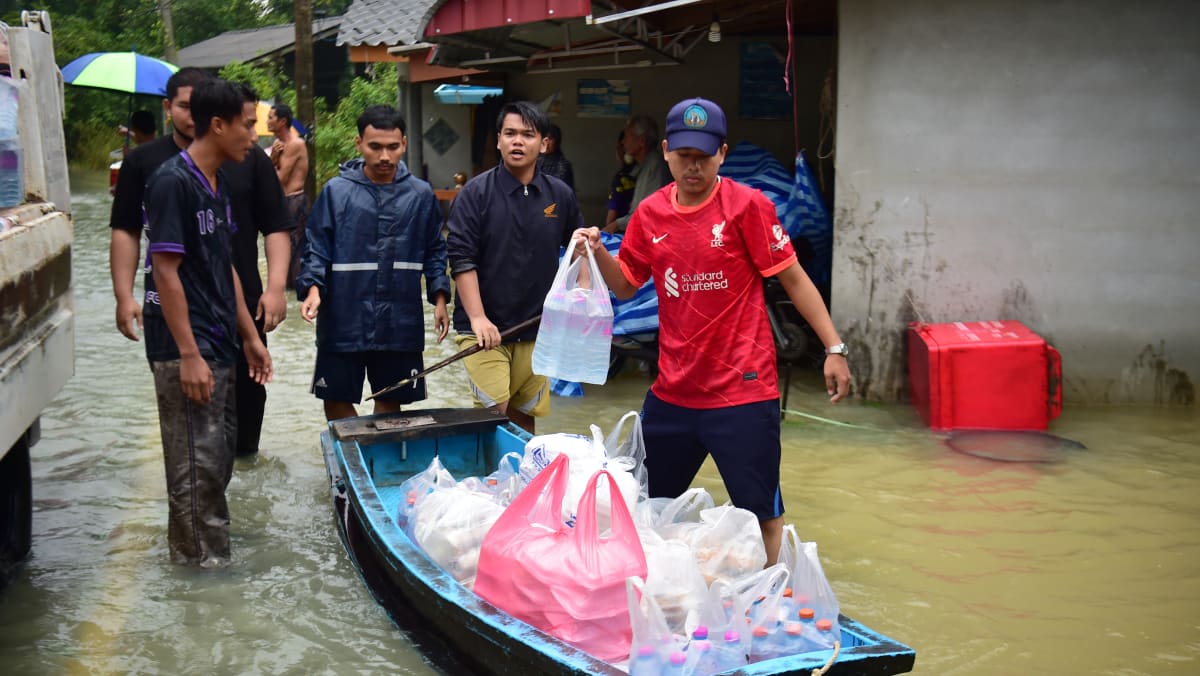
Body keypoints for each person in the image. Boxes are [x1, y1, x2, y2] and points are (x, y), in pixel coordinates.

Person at [573, 97, 852, 565]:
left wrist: (833, 347)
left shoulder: (749, 207)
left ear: (722, 153)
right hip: (673, 392)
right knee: (642, 502)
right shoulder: (649, 215)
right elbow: (624, 287)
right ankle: (656, 592)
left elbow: (794, 277)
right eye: (684, 156)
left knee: (761, 510)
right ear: (665, 152)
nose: (693, 167)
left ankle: (770, 598)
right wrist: (598, 251)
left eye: (704, 157)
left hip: (742, 392)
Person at [109, 68, 293, 458]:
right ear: (168, 107)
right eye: (185, 106)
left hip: (239, 304)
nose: (193, 116)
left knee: (238, 415)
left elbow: (275, 226)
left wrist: (276, 289)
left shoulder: (240, 163)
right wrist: (124, 295)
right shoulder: (156, 168)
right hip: (179, 312)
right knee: (193, 431)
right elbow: (128, 233)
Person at [141, 78, 273, 567]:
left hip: (221, 345)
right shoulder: (173, 182)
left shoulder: (217, 183)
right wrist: (189, 354)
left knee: (216, 466)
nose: (254, 136)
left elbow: (227, 266)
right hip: (187, 350)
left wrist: (249, 336)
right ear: (217, 125)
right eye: (247, 125)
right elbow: (165, 270)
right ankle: (203, 582)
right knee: (195, 474)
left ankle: (210, 565)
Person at [296, 105, 451, 422]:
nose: (384, 156)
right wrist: (312, 288)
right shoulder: (336, 192)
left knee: (391, 399)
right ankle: (352, 458)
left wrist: (439, 298)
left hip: (400, 319)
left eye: (392, 147)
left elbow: (435, 249)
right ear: (358, 144)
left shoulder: (420, 195)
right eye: (375, 147)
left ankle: (378, 461)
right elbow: (315, 247)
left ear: (404, 144)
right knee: (336, 396)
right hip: (343, 317)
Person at [445, 101, 583, 434]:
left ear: (544, 144)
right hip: (484, 330)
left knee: (524, 419)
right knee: (494, 415)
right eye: (510, 134)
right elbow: (462, 260)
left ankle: (521, 485)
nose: (517, 142)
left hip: (538, 329)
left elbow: (578, 252)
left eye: (527, 134)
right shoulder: (475, 194)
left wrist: (579, 304)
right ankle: (487, 481)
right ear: (498, 141)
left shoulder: (559, 195)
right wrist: (478, 318)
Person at [223, 84, 294, 456]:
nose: (255, 135)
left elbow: (277, 225)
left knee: (249, 397)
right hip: (192, 310)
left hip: (248, 304)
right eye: (248, 125)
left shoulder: (254, 161)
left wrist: (276, 288)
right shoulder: (170, 171)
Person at [604, 114, 671, 233]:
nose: (623, 142)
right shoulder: (643, 166)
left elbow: (648, 211)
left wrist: (617, 224)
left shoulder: (655, 166)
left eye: (627, 136)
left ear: (642, 141)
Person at [267, 103, 310, 288]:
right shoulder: (279, 145)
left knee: (293, 251)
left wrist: (273, 161)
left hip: (293, 200)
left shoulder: (294, 144)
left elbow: (279, 180)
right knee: (283, 249)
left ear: (282, 121)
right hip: (284, 201)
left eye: (271, 117)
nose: (267, 121)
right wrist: (274, 160)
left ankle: (297, 289)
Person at [604, 129, 636, 228]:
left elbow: (612, 212)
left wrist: (608, 230)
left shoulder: (621, 177)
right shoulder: (643, 171)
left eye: (620, 147)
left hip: (622, 232)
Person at [536, 123, 574, 190]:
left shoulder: (562, 164)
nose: (546, 142)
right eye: (543, 138)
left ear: (557, 141)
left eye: (550, 138)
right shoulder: (532, 160)